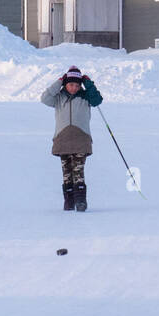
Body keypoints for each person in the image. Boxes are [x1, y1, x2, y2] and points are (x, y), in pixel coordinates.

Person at [40, 66, 103, 212]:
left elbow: (97, 100)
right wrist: (59, 81)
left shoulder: (85, 96)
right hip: (63, 139)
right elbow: (44, 98)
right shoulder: (58, 97)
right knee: (66, 172)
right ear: (65, 84)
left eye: (76, 85)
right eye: (70, 84)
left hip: (81, 139)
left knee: (78, 171)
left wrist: (88, 83)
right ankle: (68, 202)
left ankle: (81, 201)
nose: (74, 88)